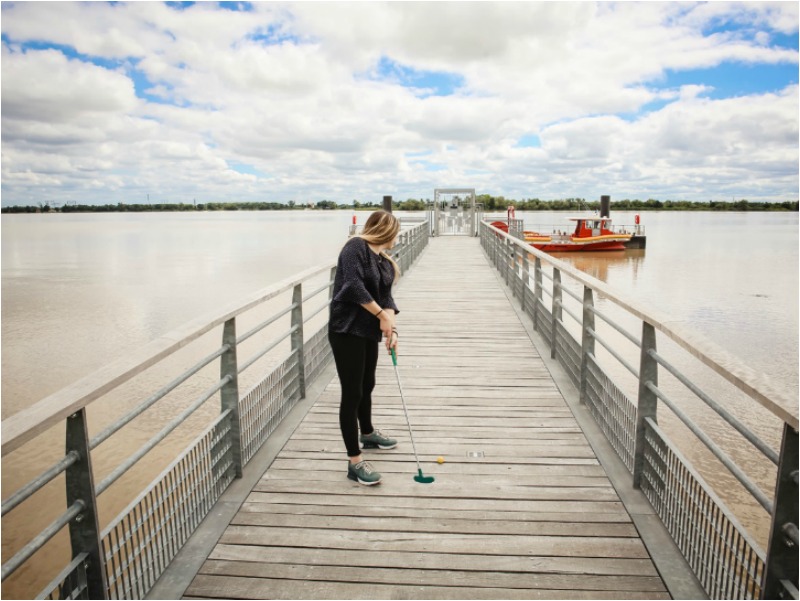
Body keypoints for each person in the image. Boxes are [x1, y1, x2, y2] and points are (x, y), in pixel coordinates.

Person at [328, 210, 401, 485]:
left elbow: (386, 298)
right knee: (352, 392)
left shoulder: (383, 261)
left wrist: (391, 328)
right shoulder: (355, 247)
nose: (397, 237)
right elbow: (352, 287)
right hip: (346, 330)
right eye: (396, 231)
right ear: (387, 230)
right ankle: (354, 461)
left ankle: (367, 433)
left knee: (367, 384)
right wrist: (382, 316)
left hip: (367, 331)